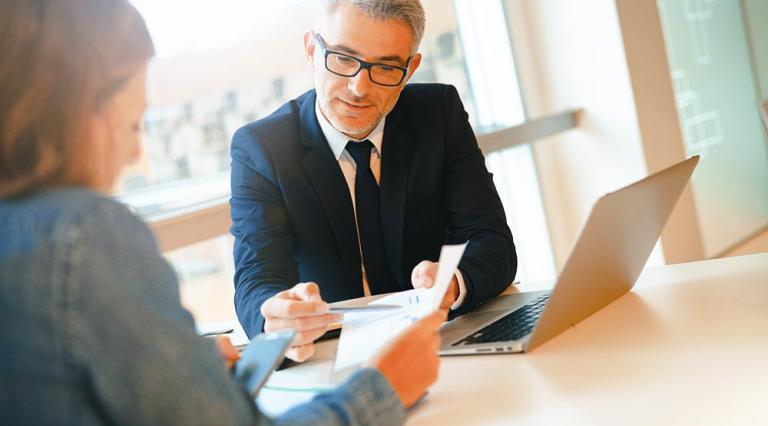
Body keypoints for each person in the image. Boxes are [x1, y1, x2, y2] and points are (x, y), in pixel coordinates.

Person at [0, 1, 444, 424]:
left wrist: (178, 369)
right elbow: (255, 278)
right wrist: (383, 388)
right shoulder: (89, 237)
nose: (135, 153)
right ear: (74, 111)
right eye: (133, 125)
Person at [231, 0, 517, 361]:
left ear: (411, 69)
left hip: (440, 344)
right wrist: (276, 316)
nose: (359, 88)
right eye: (343, 59)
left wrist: (453, 282)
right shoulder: (262, 148)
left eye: (385, 67)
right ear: (311, 50)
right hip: (332, 358)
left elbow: (491, 240)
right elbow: (256, 278)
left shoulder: (438, 114)